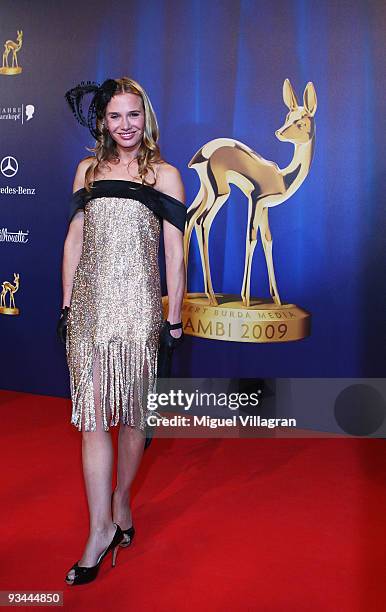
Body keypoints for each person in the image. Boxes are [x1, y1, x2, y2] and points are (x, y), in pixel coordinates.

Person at [58, 77, 187, 585]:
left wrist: (173, 317)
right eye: (115, 116)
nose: (125, 125)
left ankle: (121, 501)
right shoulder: (86, 171)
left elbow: (175, 253)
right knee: (92, 418)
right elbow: (74, 239)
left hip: (138, 312)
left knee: (133, 420)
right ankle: (98, 531)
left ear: (146, 117)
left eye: (133, 115)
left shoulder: (166, 176)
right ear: (102, 121)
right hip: (88, 311)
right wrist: (67, 305)